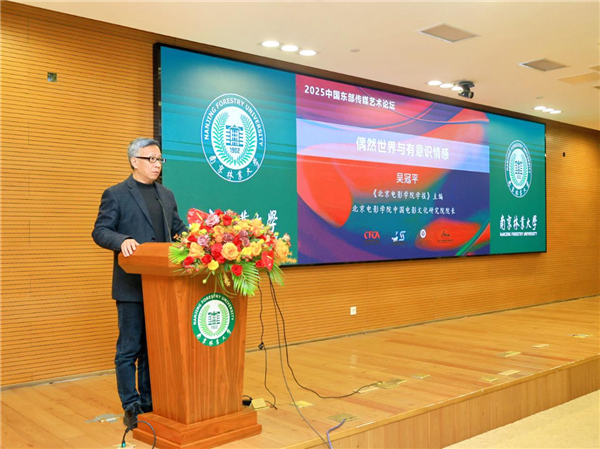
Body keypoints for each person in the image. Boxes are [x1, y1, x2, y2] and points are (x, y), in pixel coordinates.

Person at [92, 137, 187, 428]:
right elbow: (100, 231)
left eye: (160, 160)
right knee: (129, 349)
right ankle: (131, 406)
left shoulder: (166, 195)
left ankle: (149, 402)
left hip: (162, 286)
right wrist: (122, 240)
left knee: (153, 348)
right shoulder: (116, 194)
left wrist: (200, 240)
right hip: (131, 286)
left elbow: (178, 229)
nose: (157, 165)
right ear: (135, 161)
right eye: (151, 159)